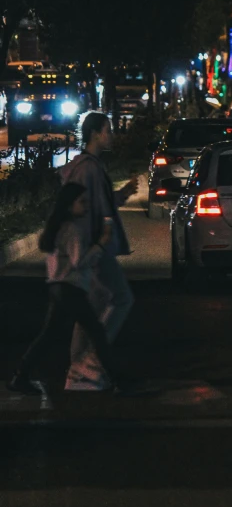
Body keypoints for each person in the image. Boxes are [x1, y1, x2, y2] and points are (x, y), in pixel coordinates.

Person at [7, 183, 127, 395]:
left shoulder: (57, 226)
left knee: (49, 335)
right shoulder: (72, 228)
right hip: (70, 288)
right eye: (82, 202)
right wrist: (101, 243)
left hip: (58, 287)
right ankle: (118, 381)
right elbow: (80, 261)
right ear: (69, 205)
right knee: (97, 333)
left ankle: (20, 376)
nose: (86, 206)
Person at [60, 111, 138, 391]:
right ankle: (89, 365)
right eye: (108, 130)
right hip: (95, 248)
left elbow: (96, 202)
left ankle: (77, 373)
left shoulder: (85, 165)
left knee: (89, 311)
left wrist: (122, 194)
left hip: (88, 248)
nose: (111, 135)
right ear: (95, 133)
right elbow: (90, 208)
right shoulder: (89, 168)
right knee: (122, 299)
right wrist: (100, 238)